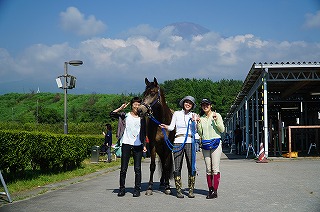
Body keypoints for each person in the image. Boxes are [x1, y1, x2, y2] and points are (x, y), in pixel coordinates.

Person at [160, 96, 197, 198]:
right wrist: (165, 126)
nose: (188, 104)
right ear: (183, 103)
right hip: (178, 142)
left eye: (190, 103)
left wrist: (194, 121)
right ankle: (178, 190)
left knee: (191, 166)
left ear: (192, 105)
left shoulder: (194, 115)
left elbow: (195, 130)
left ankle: (191, 190)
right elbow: (172, 127)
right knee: (177, 167)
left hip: (189, 141)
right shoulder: (176, 113)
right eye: (186, 102)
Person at [109, 97, 147, 197]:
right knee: (123, 168)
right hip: (126, 143)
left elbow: (144, 133)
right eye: (135, 104)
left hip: (138, 145)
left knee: (137, 169)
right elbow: (112, 114)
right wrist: (120, 108)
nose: (137, 106)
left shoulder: (142, 118)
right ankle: (122, 189)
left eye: (139, 104)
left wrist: (144, 145)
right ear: (132, 105)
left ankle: (137, 189)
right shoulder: (125, 116)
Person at [196, 98, 225, 199]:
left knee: (215, 168)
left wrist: (216, 120)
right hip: (205, 144)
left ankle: (215, 191)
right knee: (208, 169)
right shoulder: (202, 118)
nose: (205, 106)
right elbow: (200, 133)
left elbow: (222, 129)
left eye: (207, 104)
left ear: (210, 105)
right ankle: (210, 189)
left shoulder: (216, 115)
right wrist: (198, 123)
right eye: (203, 105)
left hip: (216, 143)